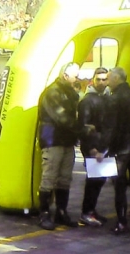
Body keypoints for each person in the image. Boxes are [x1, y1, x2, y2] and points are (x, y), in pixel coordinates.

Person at [37, 62, 91, 230]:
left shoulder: (70, 92)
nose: (78, 78)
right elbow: (61, 118)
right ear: (65, 76)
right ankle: (44, 214)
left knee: (65, 178)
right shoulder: (52, 93)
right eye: (75, 76)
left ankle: (61, 212)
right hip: (53, 139)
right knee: (49, 177)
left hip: (67, 140)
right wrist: (82, 129)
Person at [103, 67, 130, 234]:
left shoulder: (114, 98)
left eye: (109, 79)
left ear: (116, 78)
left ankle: (122, 222)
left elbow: (111, 127)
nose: (107, 82)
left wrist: (104, 148)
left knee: (119, 186)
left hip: (120, 148)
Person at [78, 67, 109, 227]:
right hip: (93, 146)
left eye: (104, 79)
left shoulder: (108, 98)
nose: (101, 82)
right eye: (99, 79)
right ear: (93, 80)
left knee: (100, 180)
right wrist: (92, 148)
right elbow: (84, 127)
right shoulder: (87, 101)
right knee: (94, 180)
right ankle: (87, 212)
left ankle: (91, 210)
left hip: (104, 146)